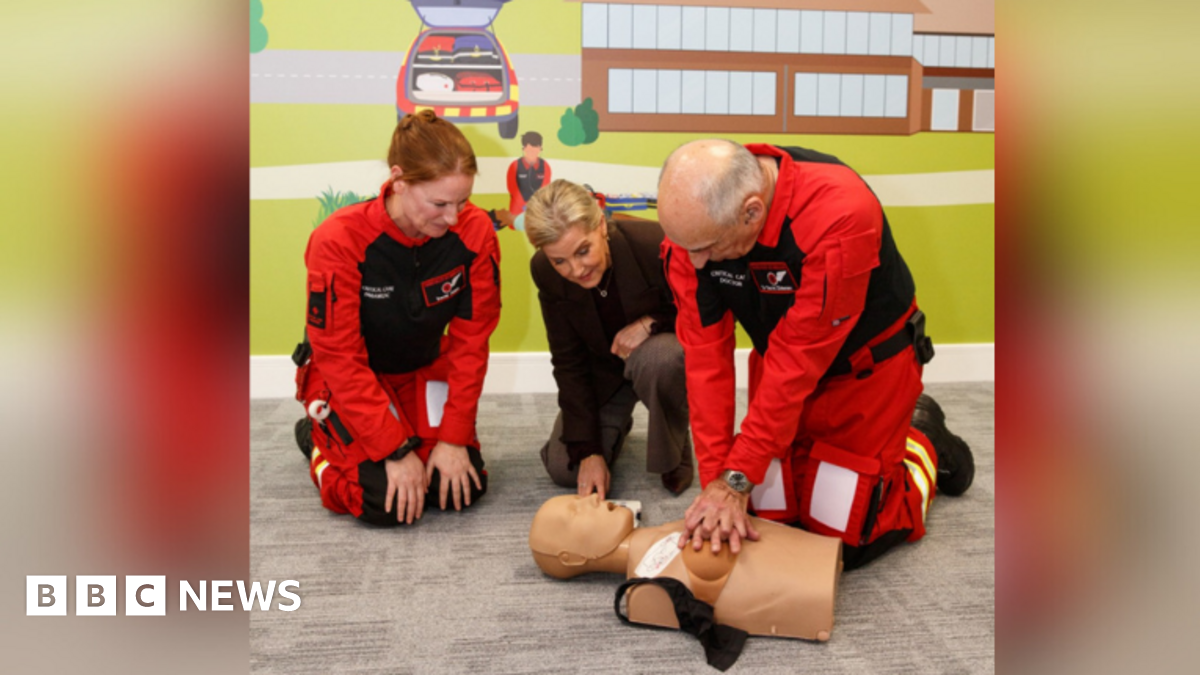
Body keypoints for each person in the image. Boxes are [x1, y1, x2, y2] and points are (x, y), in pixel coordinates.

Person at [656, 139, 975, 570]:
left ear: (751, 211)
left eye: (706, 248)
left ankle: (922, 438)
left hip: (865, 372)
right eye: (684, 247)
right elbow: (705, 360)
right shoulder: (695, 229)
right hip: (781, 366)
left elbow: (798, 361)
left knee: (844, 540)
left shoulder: (839, 215)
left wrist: (737, 480)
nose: (695, 263)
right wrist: (719, 480)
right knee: (772, 521)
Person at [292, 110, 501, 526]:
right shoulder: (339, 239)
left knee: (458, 486)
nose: (453, 218)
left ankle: (413, 444)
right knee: (383, 501)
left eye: (463, 201)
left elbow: (471, 341)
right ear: (399, 180)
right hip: (350, 380)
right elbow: (339, 357)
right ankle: (316, 441)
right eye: (439, 203)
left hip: (421, 369)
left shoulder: (476, 233)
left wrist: (454, 438)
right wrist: (393, 449)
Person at [525, 179, 694, 496]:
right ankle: (615, 427)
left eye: (582, 251)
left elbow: (703, 312)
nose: (575, 270)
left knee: (661, 358)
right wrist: (590, 451)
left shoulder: (654, 245)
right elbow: (568, 360)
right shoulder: (544, 272)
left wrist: (651, 323)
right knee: (564, 468)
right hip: (602, 373)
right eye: (559, 260)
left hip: (656, 360)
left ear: (601, 224)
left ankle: (673, 438)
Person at [528, 494, 842, 642]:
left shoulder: (658, 543)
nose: (593, 497)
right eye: (574, 511)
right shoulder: (648, 579)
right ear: (572, 558)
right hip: (817, 583)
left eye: (577, 498)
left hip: (823, 556)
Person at [506, 130, 551, 215]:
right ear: (524, 148)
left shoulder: (545, 166)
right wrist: (523, 205)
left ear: (540, 149)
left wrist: (534, 206)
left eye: (535, 149)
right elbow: (512, 188)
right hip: (517, 210)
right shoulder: (514, 165)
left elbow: (545, 189)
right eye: (530, 150)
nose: (532, 153)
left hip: (538, 210)